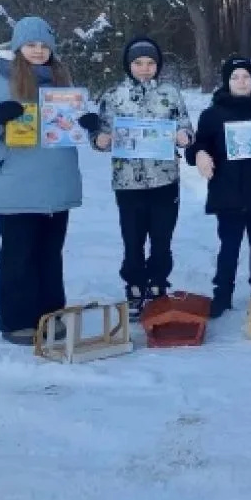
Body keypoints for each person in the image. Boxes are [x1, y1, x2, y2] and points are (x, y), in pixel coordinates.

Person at [0, 16, 85, 344]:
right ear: (18, 47)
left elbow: (69, 132)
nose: (38, 51)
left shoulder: (61, 84)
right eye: (31, 45)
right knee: (19, 255)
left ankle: (50, 315)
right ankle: (17, 321)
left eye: (44, 46)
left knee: (50, 253)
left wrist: (86, 122)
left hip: (56, 187)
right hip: (15, 186)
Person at [91, 36, 194, 318]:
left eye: (151, 63)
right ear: (128, 64)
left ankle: (158, 282)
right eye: (138, 63)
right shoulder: (113, 95)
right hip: (128, 182)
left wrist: (184, 137)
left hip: (164, 179)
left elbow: (186, 127)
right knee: (132, 238)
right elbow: (100, 135)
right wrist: (100, 139)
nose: (145, 68)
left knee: (162, 238)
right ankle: (135, 285)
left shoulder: (171, 93)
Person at [185, 56, 251, 318]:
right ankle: (223, 294)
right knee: (229, 246)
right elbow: (197, 148)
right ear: (227, 82)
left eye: (246, 76)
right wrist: (199, 154)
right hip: (228, 193)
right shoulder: (212, 116)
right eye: (235, 77)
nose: (241, 81)